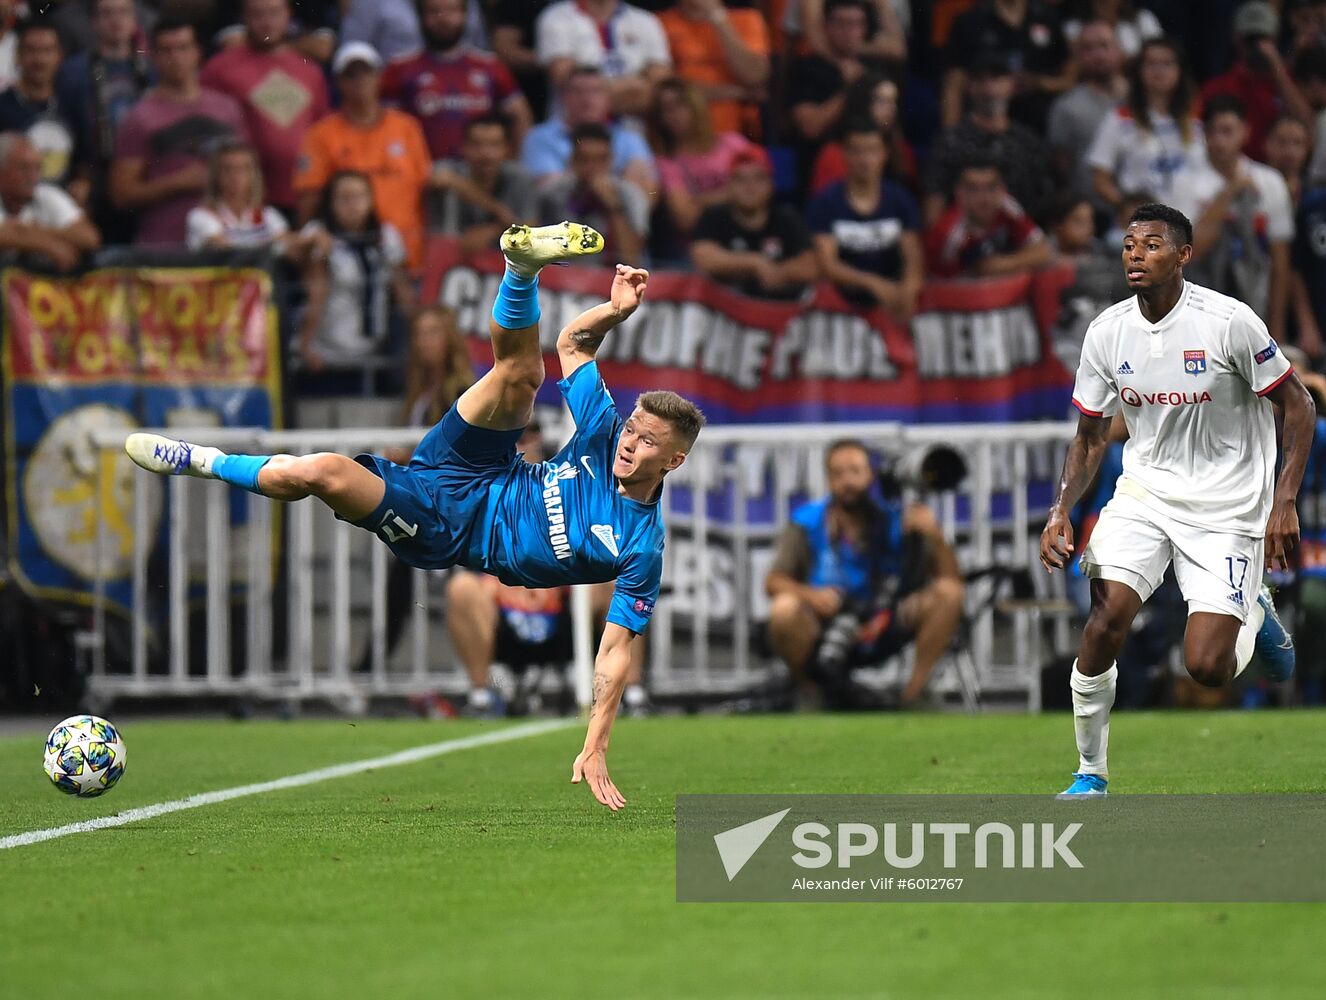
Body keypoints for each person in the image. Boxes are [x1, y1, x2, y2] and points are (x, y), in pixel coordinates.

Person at [127, 221, 706, 812]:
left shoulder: (641, 545)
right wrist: (613, 311)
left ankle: (204, 461)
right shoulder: (603, 431)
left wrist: (596, 743)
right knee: (522, 373)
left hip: (446, 525)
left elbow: (614, 651)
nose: (628, 442)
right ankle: (522, 266)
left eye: (647, 440)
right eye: (632, 428)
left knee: (322, 473)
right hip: (482, 466)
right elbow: (572, 345)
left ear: (675, 459)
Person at [1040, 202, 1314, 797]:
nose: (1136, 253)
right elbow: (1089, 436)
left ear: (1184, 255)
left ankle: (1255, 613)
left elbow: (1300, 405)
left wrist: (1283, 501)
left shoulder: (1228, 322)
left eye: (1153, 244)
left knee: (1207, 668)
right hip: (1146, 493)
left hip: (1228, 507)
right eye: (1130, 244)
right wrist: (1061, 509)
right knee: (1106, 616)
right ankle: (1091, 772)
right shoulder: (1108, 332)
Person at [765, 439, 965, 709]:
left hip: (885, 620)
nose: (847, 481)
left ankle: (914, 694)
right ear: (828, 480)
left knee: (949, 594)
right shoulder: (808, 520)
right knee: (784, 608)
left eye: (855, 472)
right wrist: (811, 597)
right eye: (838, 473)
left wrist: (935, 535)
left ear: (871, 476)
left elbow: (951, 580)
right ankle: (811, 693)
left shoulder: (898, 517)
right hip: (827, 623)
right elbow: (774, 581)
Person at [293, 42, 434, 271]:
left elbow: (424, 187)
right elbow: (309, 200)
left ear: (379, 77)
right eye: (351, 75)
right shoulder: (321, 134)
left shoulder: (407, 128)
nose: (360, 80)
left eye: (366, 72)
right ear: (338, 82)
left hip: (408, 254)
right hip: (347, 262)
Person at [110, 19, 249, 246]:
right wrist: (178, 183)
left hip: (228, 245)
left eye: (184, 48)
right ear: (153, 56)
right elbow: (121, 194)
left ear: (197, 53)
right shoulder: (139, 117)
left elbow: (251, 174)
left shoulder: (227, 109)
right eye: (167, 50)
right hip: (164, 246)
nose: (176, 57)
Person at [1169, 95, 1294, 342]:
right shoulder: (1184, 182)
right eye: (1212, 132)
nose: (1219, 141)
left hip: (1256, 303)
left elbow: (1280, 261)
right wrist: (1229, 192)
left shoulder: (1270, 181)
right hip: (1200, 308)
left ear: (1245, 132)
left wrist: (1276, 330)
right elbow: (1187, 253)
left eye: (1227, 131)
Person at [199, 0, 330, 218]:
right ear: (244, 18)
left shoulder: (309, 69)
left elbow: (322, 129)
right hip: (246, 198)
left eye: (274, 13)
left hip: (303, 195)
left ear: (289, 15)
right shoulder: (220, 68)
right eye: (258, 15)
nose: (267, 22)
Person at [295, 170, 415, 376]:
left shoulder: (386, 235)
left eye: (360, 196)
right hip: (328, 351)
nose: (353, 205)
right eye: (344, 198)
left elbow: (402, 292)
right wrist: (305, 345)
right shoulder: (318, 234)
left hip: (376, 346)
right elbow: (315, 292)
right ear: (330, 202)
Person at [381, 0, 533, 162]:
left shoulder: (489, 66)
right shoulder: (400, 68)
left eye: (452, 11)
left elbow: (520, 115)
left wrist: (514, 160)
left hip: (481, 172)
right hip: (424, 172)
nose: (444, 19)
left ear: (464, 15)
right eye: (435, 11)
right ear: (421, 16)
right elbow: (384, 126)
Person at [54, 0, 152, 244]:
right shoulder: (72, 72)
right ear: (93, 23)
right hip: (92, 181)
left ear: (134, 20)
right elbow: (64, 132)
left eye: (123, 13)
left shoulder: (152, 69)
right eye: (107, 14)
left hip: (144, 180)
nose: (116, 21)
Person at [924, 51, 1052, 225]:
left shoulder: (1028, 140)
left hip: (1022, 239)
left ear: (1012, 84)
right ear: (969, 87)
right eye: (981, 80)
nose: (989, 88)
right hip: (966, 242)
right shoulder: (950, 141)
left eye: (997, 78)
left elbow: (1043, 200)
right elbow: (935, 202)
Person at [807, 122, 922, 314]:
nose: (864, 159)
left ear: (885, 154)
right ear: (843, 154)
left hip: (890, 305)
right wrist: (872, 283)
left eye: (872, 150)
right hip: (839, 308)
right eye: (856, 151)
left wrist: (909, 290)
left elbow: (913, 259)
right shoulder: (825, 203)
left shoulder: (900, 200)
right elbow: (827, 265)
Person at [1085, 36, 1204, 213]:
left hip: (1192, 222)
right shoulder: (1119, 119)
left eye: (1167, 63)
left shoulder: (1195, 119)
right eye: (1151, 64)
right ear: (1139, 71)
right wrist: (1130, 210)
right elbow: (1100, 179)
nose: (1159, 70)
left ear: (1180, 71)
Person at [690, 143, 819, 301]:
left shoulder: (787, 218)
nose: (749, 187)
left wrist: (779, 273)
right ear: (729, 185)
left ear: (771, 184)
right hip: (726, 313)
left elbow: (811, 266)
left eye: (758, 179)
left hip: (779, 310)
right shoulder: (715, 216)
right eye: (741, 179)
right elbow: (704, 258)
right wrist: (754, 263)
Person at [645, 77, 751, 257]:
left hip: (747, 236)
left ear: (696, 105)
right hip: (697, 249)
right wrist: (733, 192)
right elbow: (686, 219)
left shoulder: (734, 144)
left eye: (681, 104)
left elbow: (762, 193)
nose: (674, 114)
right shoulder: (665, 163)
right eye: (665, 109)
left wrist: (700, 201)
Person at [1201, 2, 1312, 163]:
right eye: (1250, 40)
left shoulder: (1287, 81)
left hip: (1279, 170)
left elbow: (1307, 125)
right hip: (1232, 169)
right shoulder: (1216, 88)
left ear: (1275, 38)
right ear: (1237, 39)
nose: (1257, 47)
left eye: (1263, 38)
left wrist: (1277, 69)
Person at [520, 66, 656, 198]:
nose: (586, 98)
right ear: (563, 97)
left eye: (595, 91)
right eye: (577, 91)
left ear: (608, 98)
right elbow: (545, 189)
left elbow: (649, 192)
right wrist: (615, 185)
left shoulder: (630, 139)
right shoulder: (540, 138)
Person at [941, 0, 1073, 132]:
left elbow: (1069, 78)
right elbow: (954, 85)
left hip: (1039, 125)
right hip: (983, 128)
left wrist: (1039, 83)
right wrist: (951, 135)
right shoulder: (970, 21)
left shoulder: (1047, 16)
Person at [535, 0, 671, 118]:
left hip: (634, 133)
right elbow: (564, 79)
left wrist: (592, 95)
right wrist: (635, 87)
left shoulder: (647, 21)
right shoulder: (556, 18)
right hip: (574, 134)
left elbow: (659, 85)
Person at [534, 123, 648, 262]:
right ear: (573, 160)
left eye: (600, 160)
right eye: (585, 159)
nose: (592, 168)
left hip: (611, 278)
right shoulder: (551, 194)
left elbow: (631, 258)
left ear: (611, 161)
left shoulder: (631, 196)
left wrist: (614, 207)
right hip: (561, 276)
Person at [657, 0, 770, 138]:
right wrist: (738, 93)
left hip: (741, 133)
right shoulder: (660, 23)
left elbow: (754, 76)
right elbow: (667, 88)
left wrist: (717, 17)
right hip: (683, 136)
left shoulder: (748, 18)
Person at [925, 156, 1050, 278]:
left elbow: (1043, 251)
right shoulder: (947, 234)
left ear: (1002, 190)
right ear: (959, 193)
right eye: (973, 189)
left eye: (991, 188)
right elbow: (942, 284)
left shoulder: (1008, 207)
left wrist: (1004, 264)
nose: (984, 198)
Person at [433, 113, 535, 257]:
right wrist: (497, 210)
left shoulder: (520, 178)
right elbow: (439, 178)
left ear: (507, 149)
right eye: (477, 145)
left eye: (495, 145)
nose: (486, 154)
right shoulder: (452, 170)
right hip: (449, 264)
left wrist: (492, 231)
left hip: (503, 268)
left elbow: (531, 230)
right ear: (463, 147)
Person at [1047, 20, 1125, 204]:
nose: (1098, 55)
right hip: (1092, 211)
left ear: (1119, 50)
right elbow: (1062, 167)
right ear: (1078, 57)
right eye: (1088, 49)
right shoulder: (1066, 107)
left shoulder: (1141, 99)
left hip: (1143, 208)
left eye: (1104, 46)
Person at [0, 19, 79, 195]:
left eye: (47, 50)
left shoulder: (72, 105)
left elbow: (84, 162)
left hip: (62, 208)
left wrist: (83, 183)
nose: (40, 59)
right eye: (31, 50)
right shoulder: (2, 106)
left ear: (60, 57)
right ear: (17, 56)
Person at [0, 131, 100, 269]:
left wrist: (30, 231)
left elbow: (89, 238)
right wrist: (48, 245)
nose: (32, 177)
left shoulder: (47, 195)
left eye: (37, 168)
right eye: (24, 168)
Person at [185, 140, 302, 253]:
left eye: (244, 169)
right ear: (216, 176)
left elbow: (288, 244)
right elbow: (230, 252)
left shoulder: (268, 215)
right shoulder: (201, 216)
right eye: (228, 169)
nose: (235, 177)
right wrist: (278, 245)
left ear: (254, 175)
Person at [809, 73, 916, 196]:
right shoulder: (834, 154)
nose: (891, 109)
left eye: (893, 101)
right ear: (863, 101)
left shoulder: (901, 150)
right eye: (882, 101)